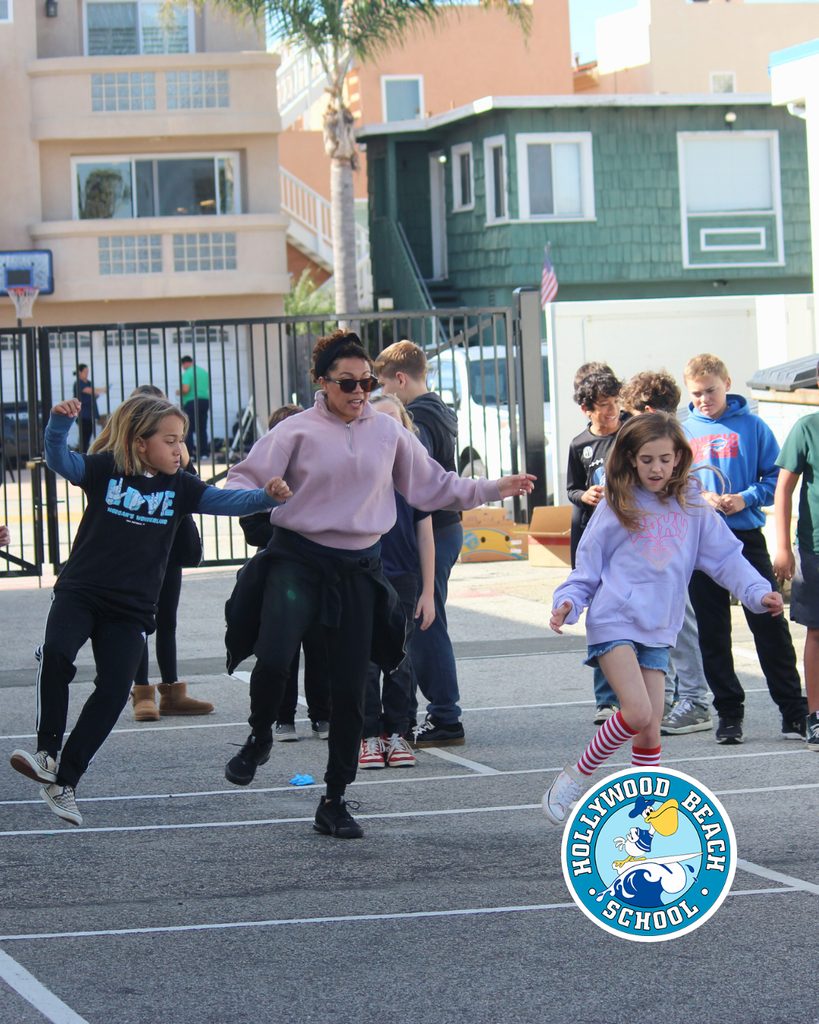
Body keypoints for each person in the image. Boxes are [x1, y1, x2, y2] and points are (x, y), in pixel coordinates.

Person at [222, 329, 535, 839]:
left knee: (350, 688)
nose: (359, 391)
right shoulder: (295, 431)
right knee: (276, 655)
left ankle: (335, 799)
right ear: (321, 383)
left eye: (366, 381)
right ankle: (259, 736)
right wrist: (264, 492)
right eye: (347, 383)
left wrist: (494, 487)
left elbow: (436, 486)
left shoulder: (389, 433)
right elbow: (238, 480)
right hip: (297, 561)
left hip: (358, 568)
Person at [9, 394, 290, 827]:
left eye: (183, 441)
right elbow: (61, 461)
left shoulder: (181, 486)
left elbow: (225, 501)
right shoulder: (106, 470)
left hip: (132, 608)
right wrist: (58, 426)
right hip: (81, 591)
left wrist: (265, 496)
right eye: (171, 440)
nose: (181, 450)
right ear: (142, 443)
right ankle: (46, 751)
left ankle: (65, 780)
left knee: (115, 687)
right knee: (56, 654)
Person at [542, 413, 783, 824]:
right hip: (614, 620)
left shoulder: (693, 506)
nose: (656, 468)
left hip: (658, 631)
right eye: (647, 459)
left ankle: (642, 820)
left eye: (665, 459)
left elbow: (727, 559)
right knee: (636, 713)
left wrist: (759, 593)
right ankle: (573, 778)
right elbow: (587, 569)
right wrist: (568, 602)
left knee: (650, 731)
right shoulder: (618, 504)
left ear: (678, 459)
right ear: (632, 459)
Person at [682, 353, 807, 745]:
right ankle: (729, 714)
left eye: (711, 391)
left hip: (745, 536)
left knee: (769, 623)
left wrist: (745, 497)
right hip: (701, 544)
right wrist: (701, 496)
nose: (705, 399)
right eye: (697, 393)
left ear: (727, 383)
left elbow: (776, 477)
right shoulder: (683, 431)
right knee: (713, 632)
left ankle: (793, 711)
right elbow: (671, 482)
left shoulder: (752, 426)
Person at [373, 340, 466, 748]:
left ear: (399, 378)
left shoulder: (418, 421)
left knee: (425, 625)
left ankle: (445, 717)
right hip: (438, 528)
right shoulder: (440, 411)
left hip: (430, 531)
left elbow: (413, 476)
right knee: (420, 626)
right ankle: (411, 715)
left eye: (380, 385)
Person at [109, 384, 214, 721]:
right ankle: (142, 692)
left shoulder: (174, 452)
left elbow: (193, 490)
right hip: (135, 551)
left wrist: (183, 458)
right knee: (140, 620)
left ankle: (171, 691)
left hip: (169, 548)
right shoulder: (123, 458)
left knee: (167, 619)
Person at [621, 370, 712, 736]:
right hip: (659, 555)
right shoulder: (673, 438)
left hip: (668, 556)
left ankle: (694, 698)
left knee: (679, 622)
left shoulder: (667, 446)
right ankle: (679, 695)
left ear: (645, 410)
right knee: (669, 623)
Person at [238, 403, 331, 742]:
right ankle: (283, 718)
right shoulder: (265, 476)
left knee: (320, 646)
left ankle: (323, 715)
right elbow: (251, 527)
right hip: (280, 572)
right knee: (282, 649)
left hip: (320, 571)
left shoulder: (319, 471)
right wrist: (293, 535)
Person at [358, 394, 435, 770]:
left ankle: (398, 734)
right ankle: (368, 735)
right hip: (363, 575)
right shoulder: (357, 468)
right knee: (367, 660)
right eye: (378, 420)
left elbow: (425, 535)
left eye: (394, 420)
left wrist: (429, 592)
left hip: (404, 578)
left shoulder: (415, 475)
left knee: (399, 659)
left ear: (405, 428)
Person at [566, 368, 628, 724]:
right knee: (602, 618)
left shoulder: (631, 433)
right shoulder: (579, 444)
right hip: (594, 537)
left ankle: (647, 691)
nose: (612, 411)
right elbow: (572, 487)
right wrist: (584, 495)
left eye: (616, 402)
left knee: (634, 615)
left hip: (630, 539)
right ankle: (606, 698)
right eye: (604, 405)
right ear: (586, 409)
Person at [773, 361, 819, 751]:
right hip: (815, 548)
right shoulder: (807, 427)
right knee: (817, 631)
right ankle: (816, 716)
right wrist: (783, 546)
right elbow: (784, 489)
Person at [178, 355, 210, 459]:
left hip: (192, 402)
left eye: (182, 365)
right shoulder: (203, 372)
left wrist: (178, 392)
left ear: (185, 363)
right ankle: (204, 453)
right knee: (202, 427)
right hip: (204, 401)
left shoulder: (188, 373)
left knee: (188, 428)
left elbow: (186, 389)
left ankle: (190, 454)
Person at [73, 364, 107, 454]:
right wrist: (103, 389)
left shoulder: (88, 382)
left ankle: (85, 453)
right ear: (79, 372)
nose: (87, 374)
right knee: (84, 436)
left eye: (87, 372)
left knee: (88, 434)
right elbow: (90, 391)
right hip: (83, 414)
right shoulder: (78, 383)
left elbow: (93, 393)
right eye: (85, 372)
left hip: (90, 413)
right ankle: (81, 454)